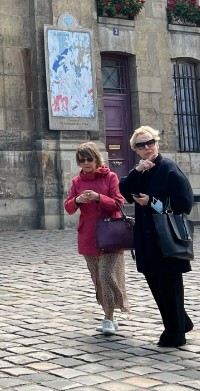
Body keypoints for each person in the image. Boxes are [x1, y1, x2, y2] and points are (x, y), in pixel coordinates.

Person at [118, 126, 194, 348]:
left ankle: (175, 334)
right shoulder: (141, 170)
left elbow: (184, 204)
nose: (147, 147)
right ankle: (182, 321)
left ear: (157, 142)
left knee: (169, 285)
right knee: (156, 284)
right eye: (141, 145)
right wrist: (137, 171)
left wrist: (152, 202)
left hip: (167, 237)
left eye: (150, 142)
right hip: (146, 237)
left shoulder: (169, 168)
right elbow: (123, 191)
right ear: (136, 150)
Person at [64, 142, 129, 335]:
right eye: (82, 160)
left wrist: (99, 197)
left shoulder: (110, 177)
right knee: (97, 279)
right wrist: (77, 200)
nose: (86, 163)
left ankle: (108, 319)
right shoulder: (77, 182)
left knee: (106, 274)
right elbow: (68, 208)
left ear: (96, 159)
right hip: (88, 236)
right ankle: (109, 314)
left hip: (110, 235)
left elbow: (119, 204)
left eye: (89, 159)